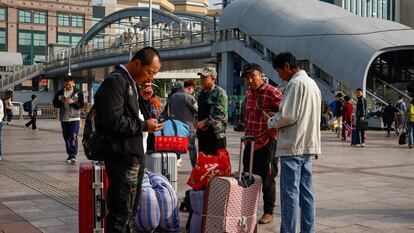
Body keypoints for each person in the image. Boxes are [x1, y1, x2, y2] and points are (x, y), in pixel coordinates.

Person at [94, 47, 163, 233]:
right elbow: (113, 121)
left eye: (154, 74)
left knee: (130, 211)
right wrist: (143, 126)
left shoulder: (130, 83)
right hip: (122, 157)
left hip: (132, 155)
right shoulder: (116, 81)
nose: (151, 78)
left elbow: (134, 116)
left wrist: (145, 101)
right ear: (137, 63)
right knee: (120, 212)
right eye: (150, 72)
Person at [268, 52, 321, 233]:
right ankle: (309, 229)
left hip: (293, 146)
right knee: (306, 193)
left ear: (287, 66)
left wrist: (271, 121)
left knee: (289, 194)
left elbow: (287, 115)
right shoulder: (313, 84)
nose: (279, 75)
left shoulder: (295, 84)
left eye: (279, 71)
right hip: (308, 144)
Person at [241, 63, 282, 224]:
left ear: (261, 75)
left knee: (267, 179)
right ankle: (248, 208)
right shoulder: (249, 93)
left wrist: (272, 115)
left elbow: (285, 112)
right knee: (247, 176)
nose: (250, 80)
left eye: (253, 76)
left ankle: (268, 211)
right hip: (250, 142)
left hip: (267, 142)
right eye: (247, 78)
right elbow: (247, 116)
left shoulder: (272, 92)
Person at [195, 67, 227, 156]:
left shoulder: (219, 92)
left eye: (205, 77)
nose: (202, 80)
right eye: (201, 77)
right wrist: (197, 121)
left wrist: (204, 122)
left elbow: (221, 114)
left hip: (216, 135)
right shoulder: (201, 93)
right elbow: (200, 111)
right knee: (204, 163)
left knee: (216, 164)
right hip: (203, 134)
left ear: (213, 78)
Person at [52, 76, 85, 164]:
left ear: (73, 83)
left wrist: (73, 102)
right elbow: (55, 103)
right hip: (64, 118)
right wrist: (61, 102)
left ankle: (73, 155)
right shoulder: (60, 92)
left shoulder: (78, 92)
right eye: (66, 84)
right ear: (64, 83)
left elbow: (81, 105)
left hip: (75, 118)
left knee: (73, 136)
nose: (68, 86)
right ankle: (70, 154)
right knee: (66, 137)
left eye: (69, 84)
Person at [168, 79, 198, 167]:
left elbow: (168, 111)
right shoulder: (189, 97)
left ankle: (173, 167)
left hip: (174, 127)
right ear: (190, 88)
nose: (192, 92)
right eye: (193, 90)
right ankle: (194, 166)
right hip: (187, 127)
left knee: (176, 146)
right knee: (191, 147)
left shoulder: (173, 97)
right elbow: (197, 110)